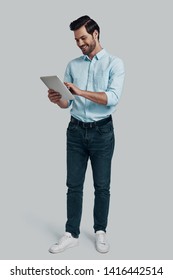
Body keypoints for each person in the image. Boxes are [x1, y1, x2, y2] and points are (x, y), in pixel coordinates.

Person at [48, 15, 125, 254]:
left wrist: (80, 91)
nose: (80, 43)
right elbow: (67, 103)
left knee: (102, 186)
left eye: (83, 38)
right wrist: (57, 99)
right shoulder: (73, 65)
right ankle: (71, 233)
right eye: (76, 40)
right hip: (76, 130)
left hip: (102, 132)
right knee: (73, 185)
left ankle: (100, 231)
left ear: (96, 34)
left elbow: (111, 98)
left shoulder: (115, 64)